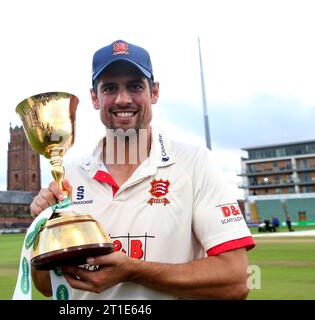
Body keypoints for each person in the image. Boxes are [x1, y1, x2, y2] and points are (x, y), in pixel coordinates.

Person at [30, 40, 255, 300]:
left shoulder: (195, 163)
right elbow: (47, 286)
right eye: (110, 88)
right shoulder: (69, 173)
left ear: (154, 92)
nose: (123, 99)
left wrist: (134, 271)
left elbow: (236, 281)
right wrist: (41, 227)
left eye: (135, 86)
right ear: (94, 97)